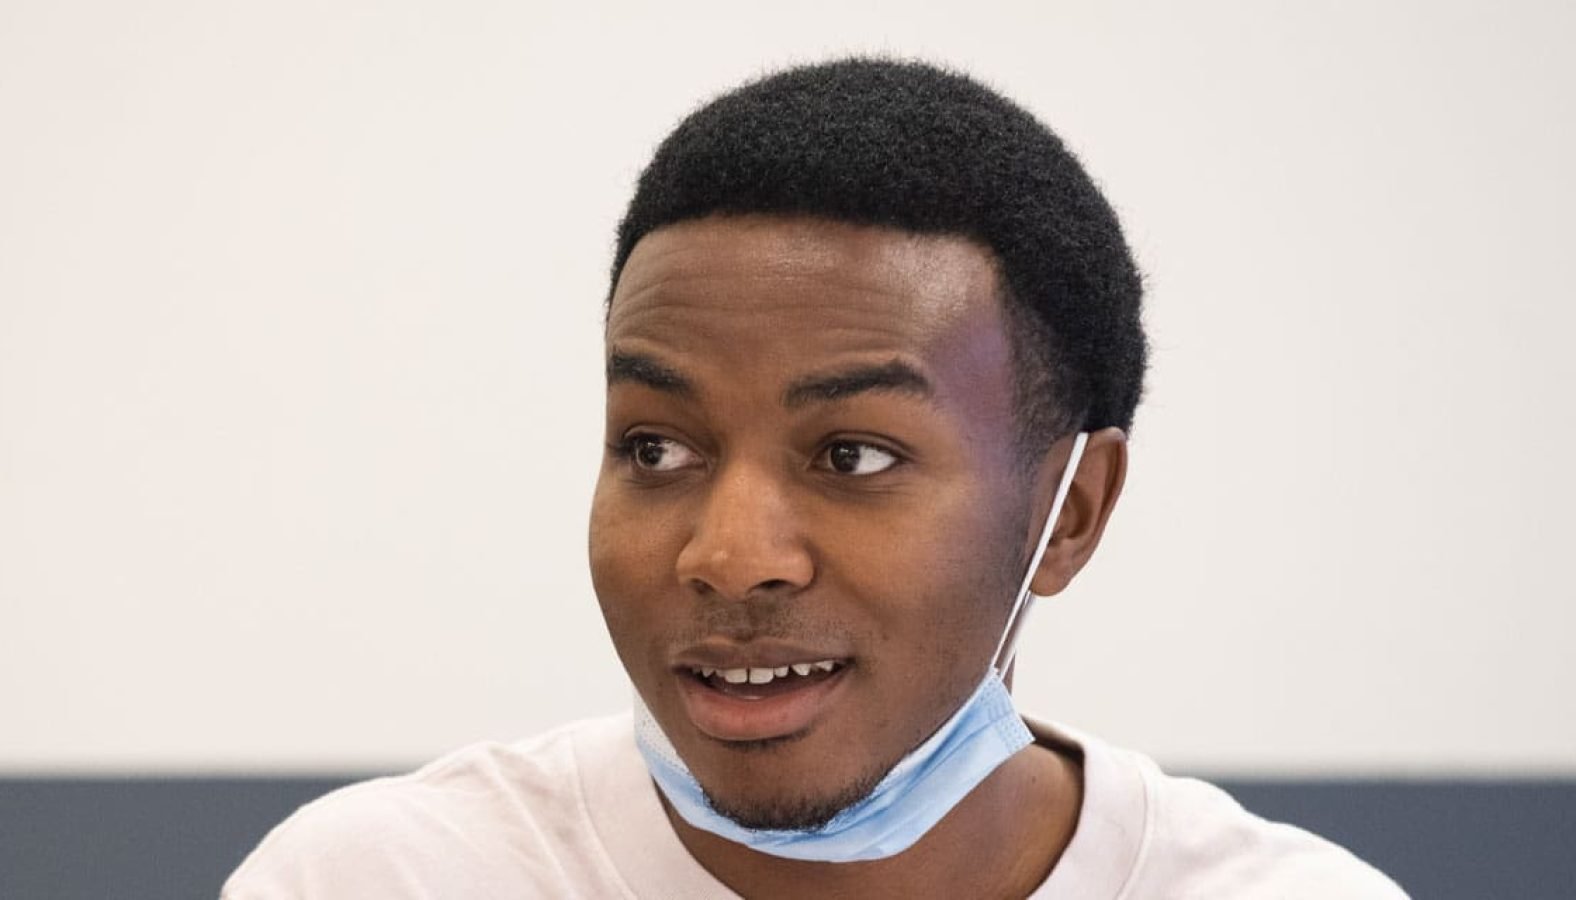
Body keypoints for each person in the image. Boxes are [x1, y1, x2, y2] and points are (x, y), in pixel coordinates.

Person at [223, 58, 1408, 898]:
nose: (728, 556)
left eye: (854, 456)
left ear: (1070, 514)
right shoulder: (380, 881)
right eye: (657, 449)